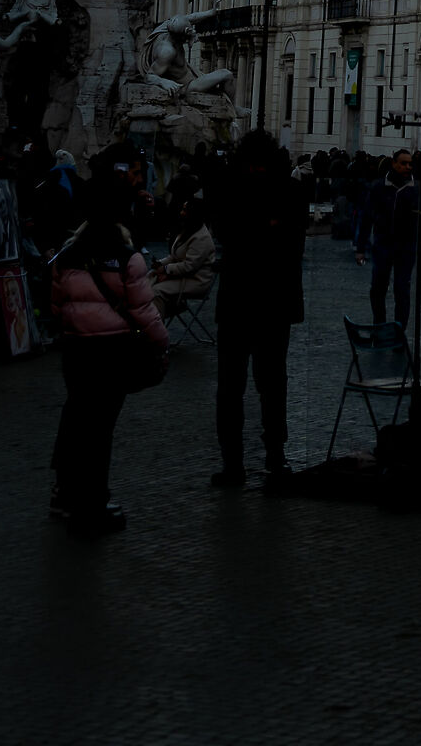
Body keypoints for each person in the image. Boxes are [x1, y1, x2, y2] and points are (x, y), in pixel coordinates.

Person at [49, 158, 169, 537]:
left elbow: (56, 306)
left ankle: (66, 493)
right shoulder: (127, 258)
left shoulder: (66, 256)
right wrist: (160, 343)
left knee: (76, 420)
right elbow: (143, 309)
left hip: (76, 352)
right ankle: (94, 502)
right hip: (112, 351)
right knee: (100, 430)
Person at [208, 130, 307, 489]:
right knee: (272, 383)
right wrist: (270, 228)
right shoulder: (290, 191)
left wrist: (255, 231)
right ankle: (274, 460)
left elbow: (229, 234)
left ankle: (234, 464)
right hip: (275, 301)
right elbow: (293, 242)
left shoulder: (231, 189)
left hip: (238, 299)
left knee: (231, 388)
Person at [356, 148, 419, 326]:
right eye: (403, 163)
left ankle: (399, 329)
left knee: (402, 289)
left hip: (406, 247)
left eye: (410, 164)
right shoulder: (379, 186)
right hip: (383, 244)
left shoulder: (414, 187)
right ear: (394, 163)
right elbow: (367, 217)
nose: (408, 167)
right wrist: (361, 248)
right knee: (378, 288)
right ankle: (379, 324)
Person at [149, 189, 216, 322]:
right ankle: (152, 320)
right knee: (149, 278)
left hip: (196, 281)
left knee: (156, 291)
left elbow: (189, 266)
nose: (181, 212)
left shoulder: (201, 237)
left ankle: (155, 326)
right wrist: (160, 264)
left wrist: (166, 270)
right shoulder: (187, 230)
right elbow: (175, 256)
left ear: (193, 214)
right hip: (184, 276)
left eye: (185, 210)